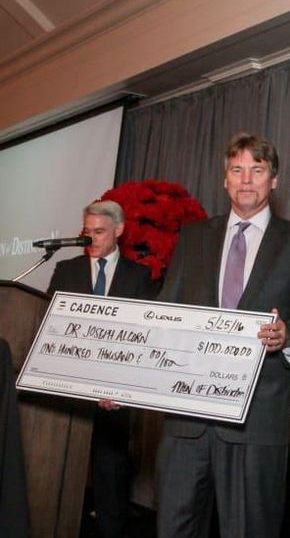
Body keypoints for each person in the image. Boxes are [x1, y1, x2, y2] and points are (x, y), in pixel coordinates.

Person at [155, 132, 290, 537]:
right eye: (237, 170)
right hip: (187, 420)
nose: (246, 179)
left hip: (257, 422)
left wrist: (288, 335)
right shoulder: (193, 238)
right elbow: (165, 314)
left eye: (257, 169)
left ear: (275, 180)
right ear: (225, 180)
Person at [47, 200, 156, 538]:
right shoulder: (66, 270)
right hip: (66, 399)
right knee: (58, 484)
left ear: (119, 230)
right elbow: (48, 327)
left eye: (99, 232)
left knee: (109, 482)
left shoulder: (139, 277)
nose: (91, 239)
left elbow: (145, 339)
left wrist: (121, 388)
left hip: (113, 401)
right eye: (87, 232)